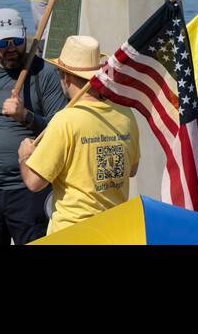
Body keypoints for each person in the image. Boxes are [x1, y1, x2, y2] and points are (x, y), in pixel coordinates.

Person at [0, 9, 66, 244]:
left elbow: (62, 130)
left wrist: (26, 116)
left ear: (26, 36)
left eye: (16, 41)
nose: (11, 48)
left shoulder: (44, 73)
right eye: (3, 42)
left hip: (30, 190)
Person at [19, 35, 140, 235]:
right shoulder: (125, 114)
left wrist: (25, 155)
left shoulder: (65, 120)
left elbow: (34, 182)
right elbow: (132, 169)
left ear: (65, 77)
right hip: (115, 230)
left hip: (72, 233)